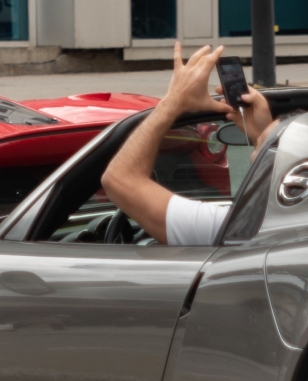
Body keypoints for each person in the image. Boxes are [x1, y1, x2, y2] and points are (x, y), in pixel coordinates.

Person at [100, 41, 277, 245]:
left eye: (279, 139)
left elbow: (119, 180)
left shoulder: (241, 226)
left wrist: (174, 101)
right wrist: (262, 135)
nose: (273, 137)